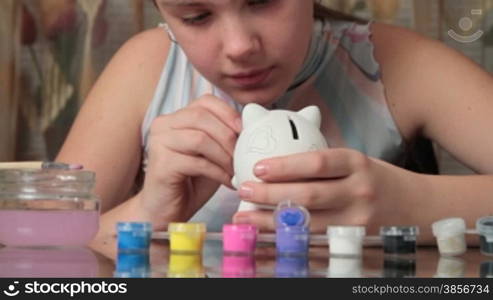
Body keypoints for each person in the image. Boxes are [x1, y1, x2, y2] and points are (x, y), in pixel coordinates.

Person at [56, 0, 493, 245]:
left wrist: (411, 206)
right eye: (196, 17)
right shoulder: (146, 67)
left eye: (263, 0)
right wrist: (146, 213)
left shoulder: (390, 63)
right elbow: (38, 250)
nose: (240, 46)